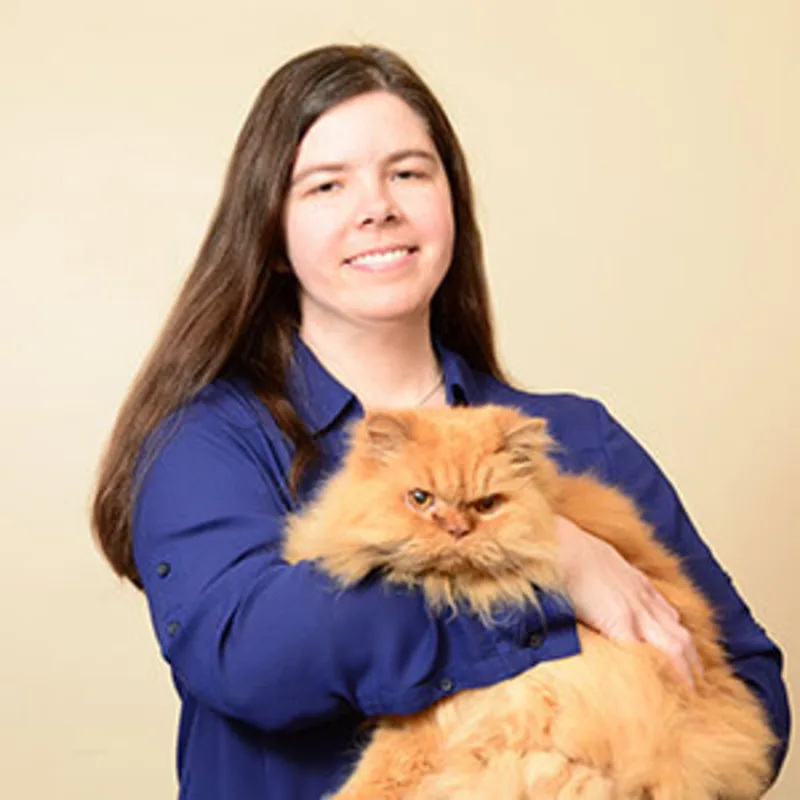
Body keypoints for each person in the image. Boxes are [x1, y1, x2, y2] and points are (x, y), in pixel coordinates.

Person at [91, 44, 789, 799]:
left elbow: (748, 687)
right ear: (274, 237)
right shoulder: (210, 440)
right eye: (326, 185)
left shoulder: (577, 437)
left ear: (451, 202)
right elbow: (252, 660)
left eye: (409, 172)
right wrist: (550, 564)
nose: (378, 206)